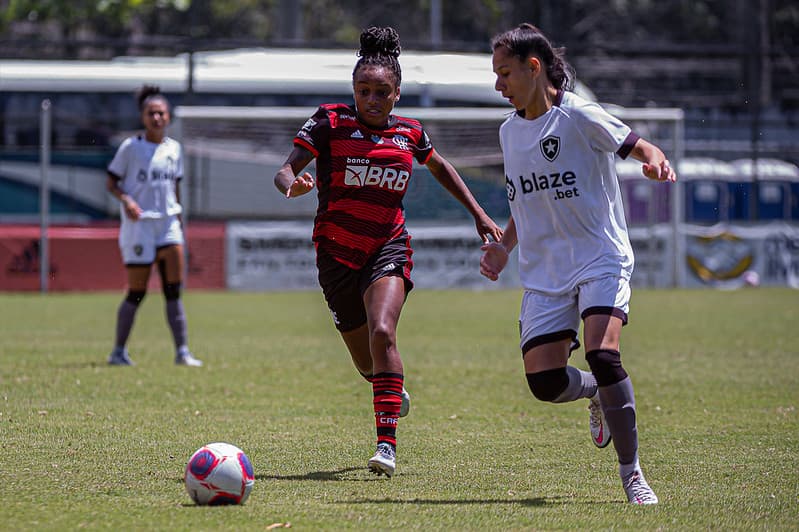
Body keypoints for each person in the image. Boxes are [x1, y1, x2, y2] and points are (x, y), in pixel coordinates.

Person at [274, 26, 502, 477]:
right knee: (367, 364)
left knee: (383, 333)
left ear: (396, 94)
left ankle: (386, 444)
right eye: (364, 91)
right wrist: (293, 186)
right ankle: (387, 387)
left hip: (387, 248)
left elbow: (441, 167)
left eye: (382, 92)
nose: (372, 99)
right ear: (353, 91)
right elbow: (285, 169)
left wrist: (478, 213)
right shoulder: (330, 122)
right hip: (336, 256)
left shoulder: (410, 132)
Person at [480, 23, 676, 504]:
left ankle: (633, 475)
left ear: (534, 67)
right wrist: (505, 246)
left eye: (504, 73)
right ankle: (597, 396)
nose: (498, 85)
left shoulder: (581, 116)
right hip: (547, 271)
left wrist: (654, 161)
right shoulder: (509, 133)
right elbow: (529, 201)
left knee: (602, 353)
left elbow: (640, 146)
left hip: (600, 257)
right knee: (544, 382)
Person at [105, 85, 202, 367]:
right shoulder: (131, 148)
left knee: (174, 290)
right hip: (141, 227)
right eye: (151, 113)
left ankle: (182, 352)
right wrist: (127, 201)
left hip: (169, 224)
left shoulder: (174, 150)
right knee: (137, 292)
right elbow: (111, 182)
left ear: (169, 117)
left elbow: (176, 187)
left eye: (161, 113)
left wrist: (180, 221)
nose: (157, 118)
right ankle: (118, 352)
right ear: (143, 117)